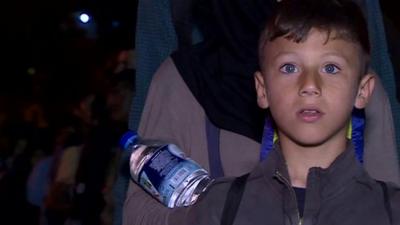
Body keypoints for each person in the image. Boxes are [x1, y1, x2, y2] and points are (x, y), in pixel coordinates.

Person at [129, 0, 400, 224]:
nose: (309, 85)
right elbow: (140, 212)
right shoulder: (185, 79)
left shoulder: (353, 80)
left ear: (361, 90)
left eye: (330, 68)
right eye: (289, 68)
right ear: (262, 89)